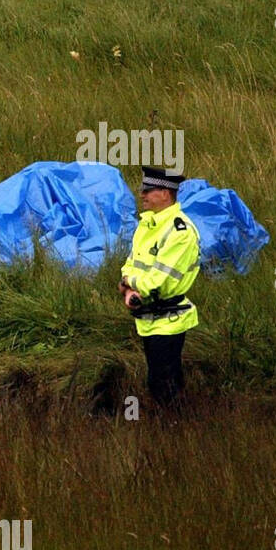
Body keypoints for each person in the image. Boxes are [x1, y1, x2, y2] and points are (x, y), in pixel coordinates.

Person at [120, 167, 201, 407]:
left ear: (165, 194)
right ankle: (173, 429)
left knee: (165, 387)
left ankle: (174, 431)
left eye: (148, 190)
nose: (142, 195)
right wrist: (128, 288)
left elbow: (158, 281)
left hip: (169, 320)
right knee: (158, 382)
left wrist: (128, 285)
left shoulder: (180, 231)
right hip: (148, 318)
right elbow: (130, 264)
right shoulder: (147, 225)